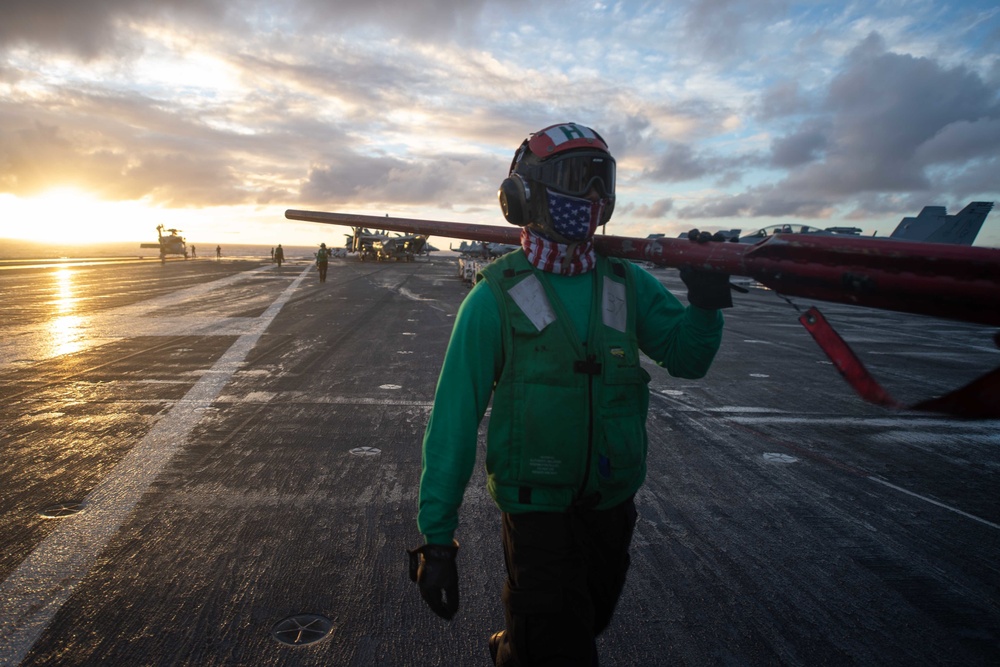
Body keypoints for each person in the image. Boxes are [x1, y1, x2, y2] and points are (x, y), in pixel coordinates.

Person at [408, 122, 732, 665]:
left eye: (599, 181)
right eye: (573, 180)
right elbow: (454, 421)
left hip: (611, 508)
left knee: (586, 622)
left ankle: (515, 648)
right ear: (523, 195)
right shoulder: (494, 299)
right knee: (563, 650)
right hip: (536, 515)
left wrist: (705, 303)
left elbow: (689, 359)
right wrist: (437, 538)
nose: (590, 197)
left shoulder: (626, 285)